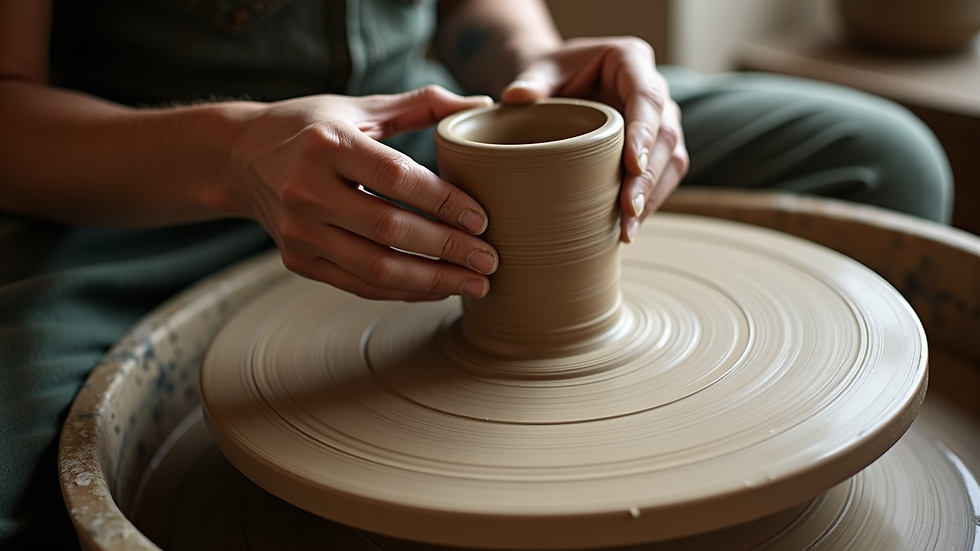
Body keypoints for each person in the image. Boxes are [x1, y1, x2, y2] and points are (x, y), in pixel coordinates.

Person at [0, 0, 951, 548]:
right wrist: (232, 155)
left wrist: (533, 63)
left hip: (429, 141)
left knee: (885, 162)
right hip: (150, 189)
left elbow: (476, 16)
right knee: (26, 475)